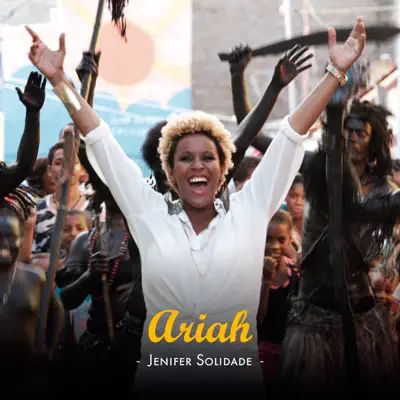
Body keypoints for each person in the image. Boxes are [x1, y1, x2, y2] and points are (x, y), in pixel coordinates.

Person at [26, 18, 366, 398]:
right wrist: (60, 81)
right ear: (171, 172)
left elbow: (291, 134)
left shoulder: (251, 211)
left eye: (208, 157)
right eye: (185, 158)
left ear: (223, 169)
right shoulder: (148, 213)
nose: (198, 165)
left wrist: (335, 73)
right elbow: (98, 137)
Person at [257, 210, 298, 397]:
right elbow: (258, 321)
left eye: (281, 240)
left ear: (290, 240)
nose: (274, 246)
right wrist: (266, 281)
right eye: (268, 239)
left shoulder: (294, 273)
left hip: (290, 354)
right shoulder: (249, 271)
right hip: (261, 355)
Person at [284, 174, 304, 253]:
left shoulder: (320, 228)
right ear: (285, 197)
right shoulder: (279, 227)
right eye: (293, 196)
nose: (298, 202)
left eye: (304, 197)